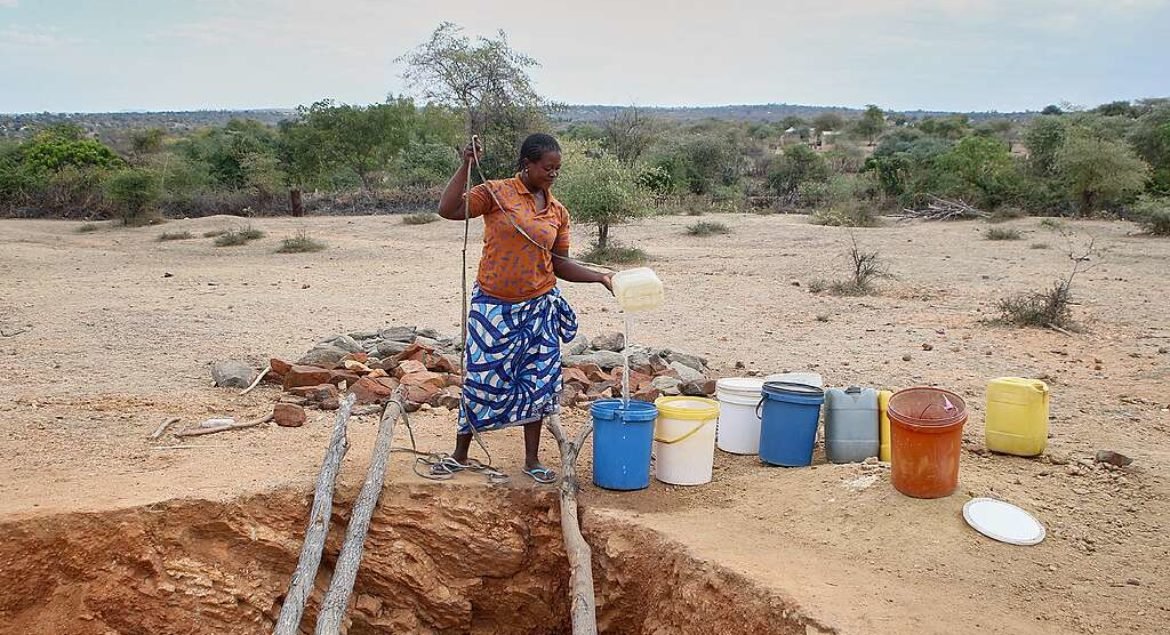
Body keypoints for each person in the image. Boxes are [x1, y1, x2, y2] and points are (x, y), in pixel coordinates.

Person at [436, 133, 612, 483]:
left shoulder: (558, 212)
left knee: (538, 383)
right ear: (527, 164)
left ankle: (531, 460)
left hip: (539, 308)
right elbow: (449, 210)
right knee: (481, 380)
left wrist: (598, 277)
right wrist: (466, 165)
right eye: (548, 168)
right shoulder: (497, 193)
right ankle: (460, 453)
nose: (553, 174)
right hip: (493, 308)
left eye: (558, 169)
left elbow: (559, 264)